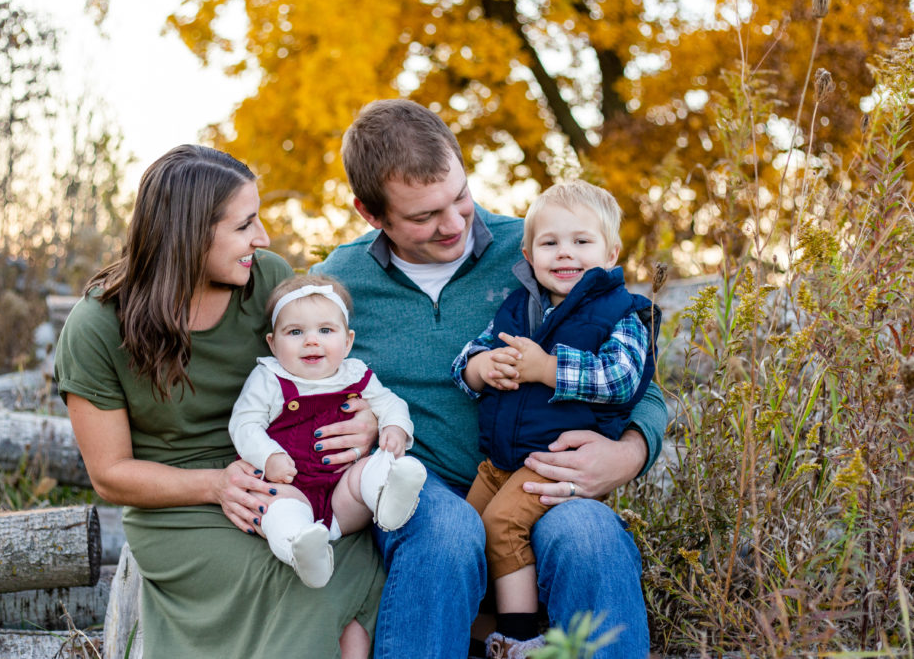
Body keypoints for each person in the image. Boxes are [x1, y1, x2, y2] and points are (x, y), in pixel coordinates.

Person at [312, 100, 667, 659]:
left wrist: (626, 454)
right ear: (370, 214)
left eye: (460, 197)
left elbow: (638, 380)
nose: (454, 224)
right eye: (425, 216)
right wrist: (351, 419)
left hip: (539, 478)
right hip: (415, 489)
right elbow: (302, 386)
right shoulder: (337, 284)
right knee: (446, 532)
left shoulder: (539, 249)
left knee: (590, 537)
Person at [54, 145, 386, 658]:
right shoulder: (97, 327)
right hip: (179, 502)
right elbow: (110, 473)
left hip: (285, 478)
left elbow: (325, 370)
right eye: (244, 224)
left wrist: (364, 420)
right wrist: (214, 485)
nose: (263, 237)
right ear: (188, 234)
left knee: (352, 564)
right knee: (299, 581)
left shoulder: (268, 280)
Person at [453, 180, 661, 658]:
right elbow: (474, 354)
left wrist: (547, 369)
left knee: (504, 525)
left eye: (581, 242)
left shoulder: (624, 313)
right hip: (500, 457)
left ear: (611, 251)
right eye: (550, 243)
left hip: (552, 459)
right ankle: (486, 624)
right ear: (528, 252)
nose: (565, 254)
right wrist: (480, 369)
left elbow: (623, 381)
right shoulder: (520, 306)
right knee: (471, 528)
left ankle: (518, 638)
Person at [229, 273, 427, 588]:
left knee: (367, 469)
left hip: (342, 498)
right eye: (295, 332)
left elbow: (391, 403)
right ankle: (304, 549)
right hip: (289, 484)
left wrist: (394, 428)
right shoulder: (269, 378)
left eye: (325, 330)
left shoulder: (356, 374)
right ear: (273, 342)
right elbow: (244, 424)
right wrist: (269, 457)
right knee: (276, 507)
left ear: (347, 341)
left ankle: (389, 498)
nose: (311, 340)